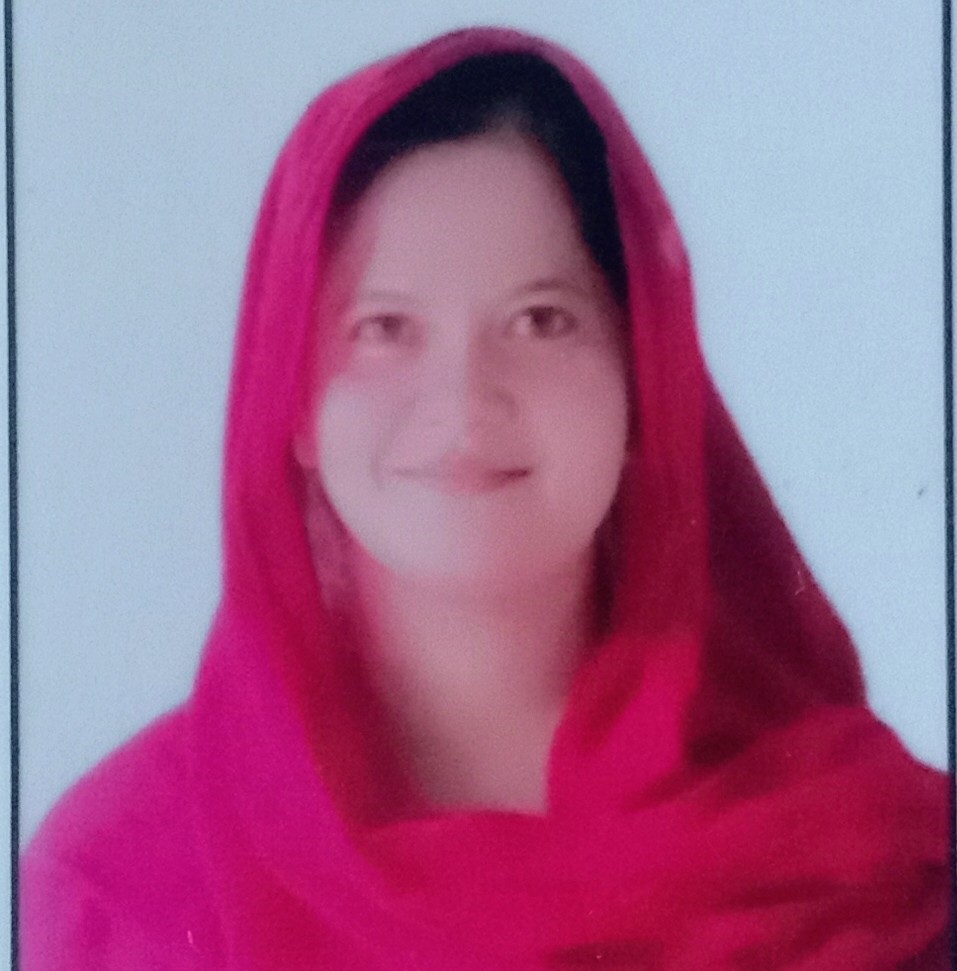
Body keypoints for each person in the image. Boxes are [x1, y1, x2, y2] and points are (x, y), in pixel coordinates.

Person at [21, 26, 951, 969]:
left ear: (645, 378)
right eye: (384, 328)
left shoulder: (859, 849)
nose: (465, 398)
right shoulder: (125, 883)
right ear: (289, 398)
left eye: (540, 320)